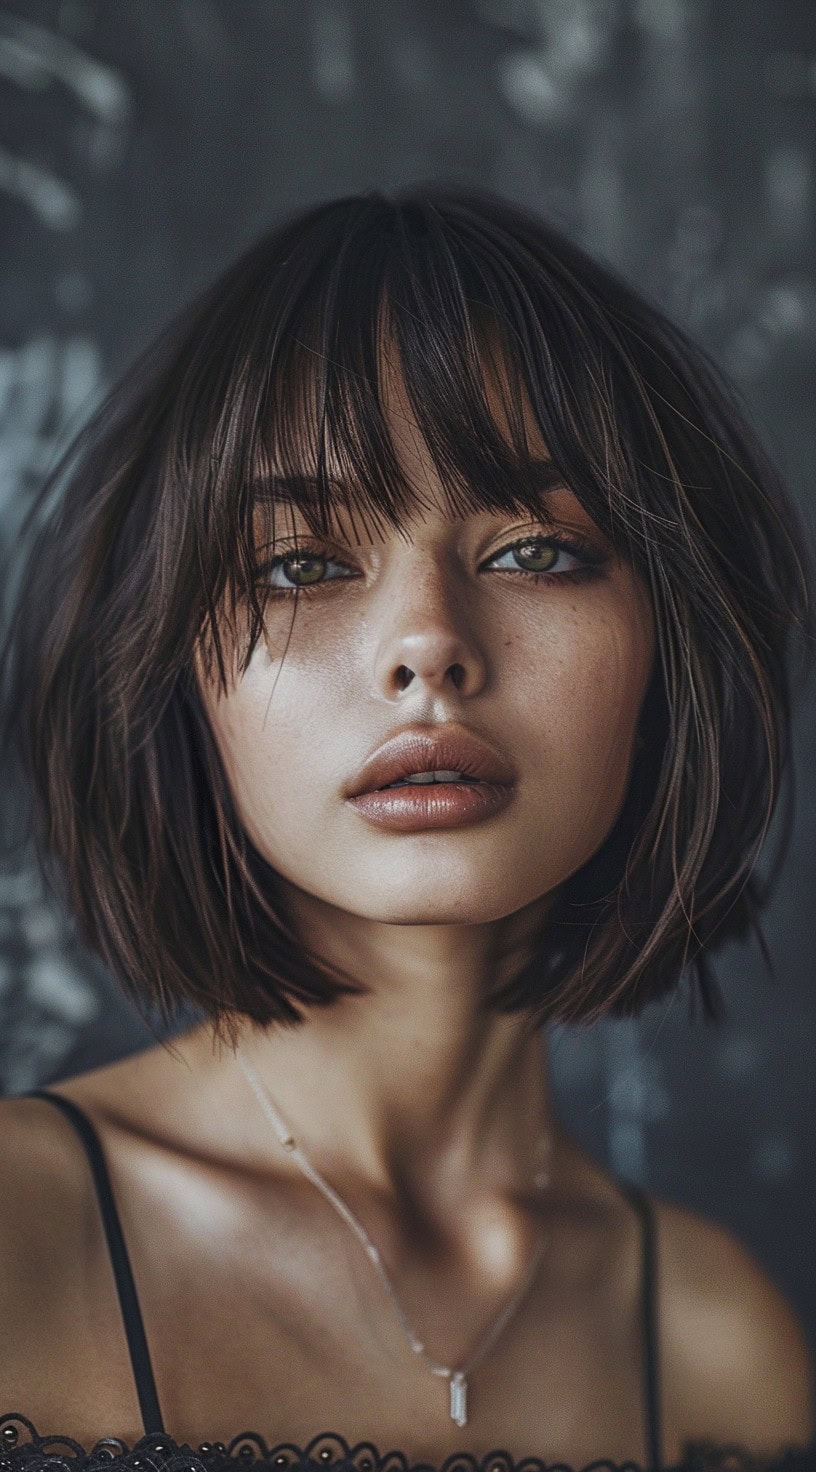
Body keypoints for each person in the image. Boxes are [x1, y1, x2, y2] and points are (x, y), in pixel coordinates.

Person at [0, 186, 814, 1472]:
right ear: (176, 674)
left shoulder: (718, 1344)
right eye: (302, 564)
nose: (427, 644)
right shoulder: (22, 1235)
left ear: (671, 644)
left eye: (535, 551)